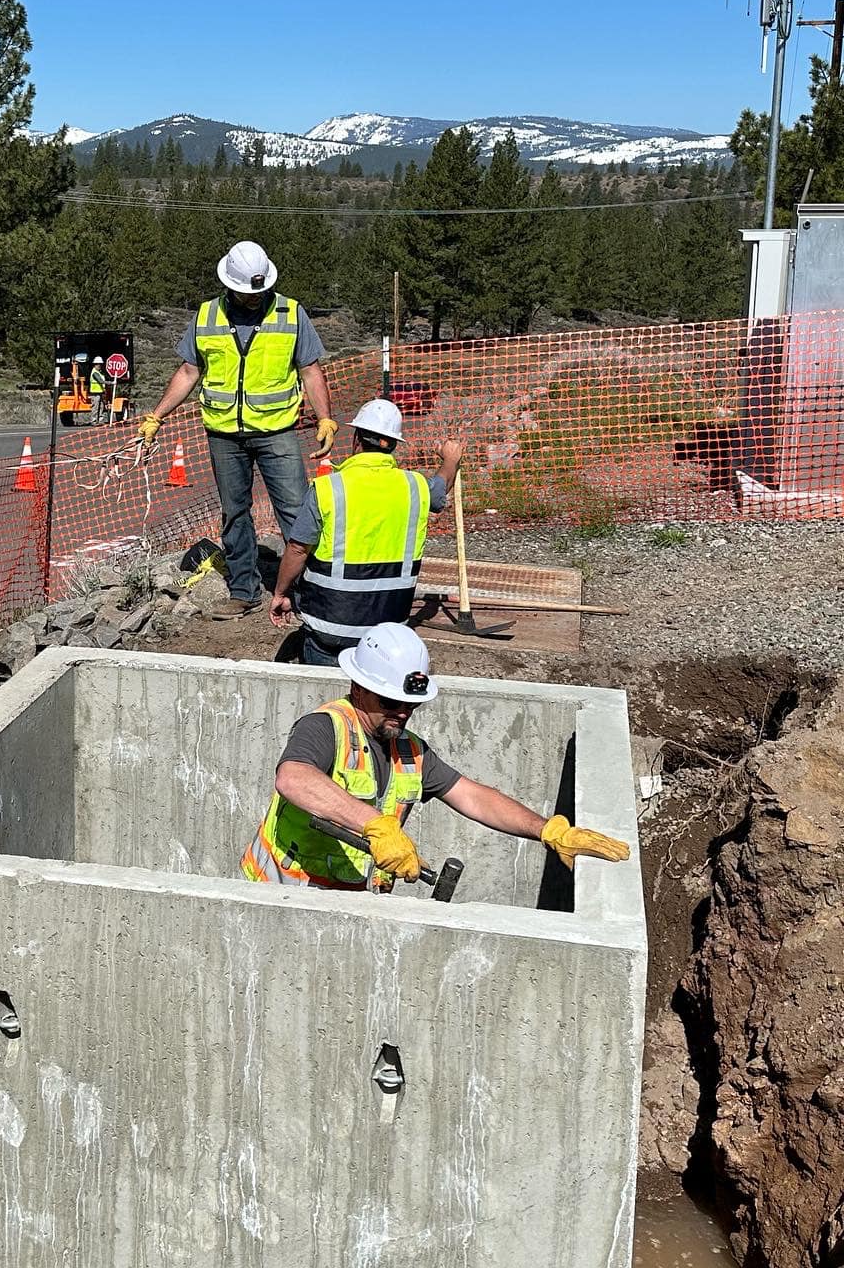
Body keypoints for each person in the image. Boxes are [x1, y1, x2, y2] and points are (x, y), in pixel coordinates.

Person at [240, 623, 631, 890]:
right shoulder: (326, 728)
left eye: (410, 704)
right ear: (358, 688)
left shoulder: (410, 752)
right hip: (277, 900)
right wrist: (377, 826)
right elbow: (294, 778)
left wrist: (548, 831)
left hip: (344, 906)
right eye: (390, 700)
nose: (402, 712)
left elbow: (473, 796)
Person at [136, 240, 336, 618]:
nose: (253, 298)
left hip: (277, 431)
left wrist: (325, 417)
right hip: (225, 434)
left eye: (258, 291)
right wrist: (157, 416)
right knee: (235, 513)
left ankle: (308, 592)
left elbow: (310, 369)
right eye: (246, 292)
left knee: (296, 511)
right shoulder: (207, 315)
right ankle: (244, 590)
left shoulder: (291, 313)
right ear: (229, 284)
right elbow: (188, 371)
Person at [270, 398, 463, 665]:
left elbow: (297, 549)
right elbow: (440, 489)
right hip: (387, 630)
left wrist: (281, 593)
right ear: (394, 446)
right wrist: (451, 460)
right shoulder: (415, 487)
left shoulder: (329, 489)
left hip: (330, 628)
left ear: (356, 440)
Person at [88, 357, 107, 424]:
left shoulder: (100, 372)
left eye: (100, 364)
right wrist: (111, 383)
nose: (99, 365)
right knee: (95, 407)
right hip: (95, 393)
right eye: (97, 364)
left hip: (100, 392)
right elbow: (100, 381)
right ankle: (94, 420)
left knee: (101, 407)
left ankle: (100, 420)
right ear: (95, 365)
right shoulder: (94, 373)